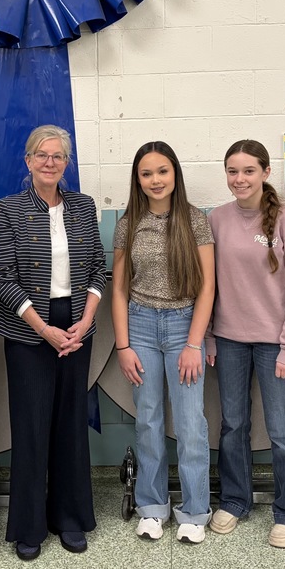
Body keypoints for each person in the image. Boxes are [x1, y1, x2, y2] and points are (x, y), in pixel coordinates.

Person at [0, 125, 105, 560]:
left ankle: (71, 519)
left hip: (76, 327)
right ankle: (29, 526)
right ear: (28, 161)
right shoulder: (10, 209)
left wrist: (84, 321)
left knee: (71, 423)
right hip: (28, 330)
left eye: (58, 156)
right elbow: (2, 277)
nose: (50, 162)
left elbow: (97, 267)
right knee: (32, 427)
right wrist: (44, 330)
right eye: (42, 155)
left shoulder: (83, 206)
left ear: (66, 163)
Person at [206, 140, 285, 548]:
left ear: (266, 172)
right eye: (233, 171)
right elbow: (208, 285)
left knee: (283, 429)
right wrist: (209, 337)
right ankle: (235, 500)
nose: (240, 179)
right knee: (232, 425)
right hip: (230, 340)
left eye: (248, 171)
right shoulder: (216, 218)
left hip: (276, 343)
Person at [112, 142, 215, 544]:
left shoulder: (195, 220)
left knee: (191, 424)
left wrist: (193, 344)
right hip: (139, 327)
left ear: (175, 175)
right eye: (146, 173)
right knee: (148, 419)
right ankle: (152, 508)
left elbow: (207, 287)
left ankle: (193, 511)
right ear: (137, 179)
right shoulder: (128, 223)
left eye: (162, 171)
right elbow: (119, 289)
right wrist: (123, 345)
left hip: (183, 326)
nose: (155, 180)